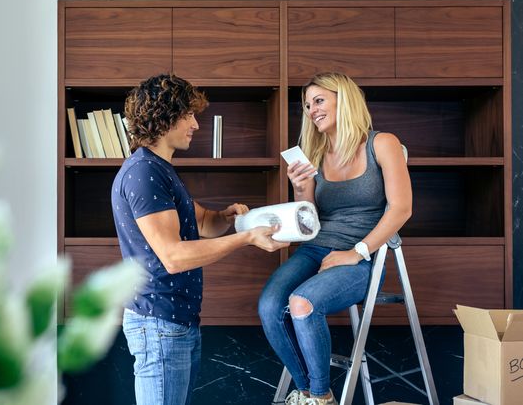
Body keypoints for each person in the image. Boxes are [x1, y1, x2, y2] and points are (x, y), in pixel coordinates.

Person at [111, 73, 289, 405]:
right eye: (188, 115)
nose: (196, 124)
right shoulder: (144, 174)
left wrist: (228, 218)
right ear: (164, 118)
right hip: (159, 322)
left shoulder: (160, 170)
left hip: (175, 321)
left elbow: (203, 223)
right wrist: (247, 238)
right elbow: (174, 256)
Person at [258, 72, 412, 405]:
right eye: (308, 105)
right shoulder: (312, 154)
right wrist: (300, 188)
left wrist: (355, 252)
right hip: (314, 249)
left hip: (361, 255)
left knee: (302, 303)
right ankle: (313, 393)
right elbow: (308, 222)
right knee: (270, 306)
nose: (312, 110)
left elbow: (401, 209)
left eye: (319, 100)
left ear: (344, 99)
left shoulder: (382, 144)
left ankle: (316, 396)